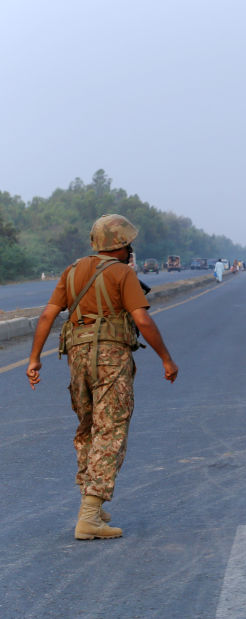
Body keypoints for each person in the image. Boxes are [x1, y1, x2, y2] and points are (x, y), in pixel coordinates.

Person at [26, 214, 179, 540]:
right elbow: (143, 321)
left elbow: (48, 314)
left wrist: (34, 358)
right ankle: (89, 516)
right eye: (129, 243)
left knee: (88, 428)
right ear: (122, 244)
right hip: (111, 358)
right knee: (110, 429)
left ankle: (90, 503)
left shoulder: (72, 271)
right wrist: (166, 359)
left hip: (77, 357)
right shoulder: (123, 273)